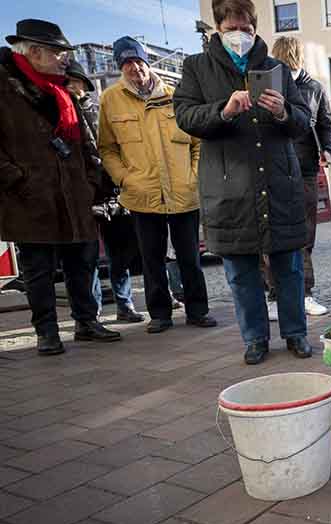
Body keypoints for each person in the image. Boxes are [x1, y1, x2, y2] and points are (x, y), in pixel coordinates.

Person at [174, 0, 312, 365]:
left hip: (278, 183)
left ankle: (296, 333)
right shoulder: (197, 67)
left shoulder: (276, 68)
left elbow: (303, 120)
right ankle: (255, 339)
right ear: (218, 27)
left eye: (247, 29)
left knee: (290, 266)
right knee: (240, 270)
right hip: (228, 186)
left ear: (255, 27)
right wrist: (223, 110)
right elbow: (185, 116)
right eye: (232, 28)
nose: (241, 36)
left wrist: (283, 111)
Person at [0, 19, 121, 355]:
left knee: (82, 263)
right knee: (38, 270)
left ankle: (87, 321)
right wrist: (19, 182)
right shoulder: (4, 87)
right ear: (33, 51)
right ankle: (47, 332)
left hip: (74, 194)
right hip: (30, 199)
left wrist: (92, 181)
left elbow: (86, 141)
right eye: (57, 52)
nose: (63, 58)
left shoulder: (62, 89)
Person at [99, 36, 215, 334]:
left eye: (138, 62)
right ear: (119, 68)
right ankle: (160, 314)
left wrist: (193, 175)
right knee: (151, 258)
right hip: (142, 193)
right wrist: (125, 179)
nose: (134, 69)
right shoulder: (110, 100)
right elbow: (107, 149)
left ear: (147, 64)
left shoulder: (176, 95)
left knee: (190, 256)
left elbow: (197, 142)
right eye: (127, 64)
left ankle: (197, 310)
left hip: (182, 191)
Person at [263, 36, 331, 320]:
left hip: (305, 168)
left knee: (305, 234)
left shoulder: (314, 89)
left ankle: (304, 294)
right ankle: (273, 296)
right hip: (270, 168)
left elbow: (327, 126)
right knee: (271, 235)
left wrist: (329, 151)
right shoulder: (266, 85)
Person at [65, 60, 145, 324]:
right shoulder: (60, 111)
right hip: (83, 193)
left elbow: (114, 146)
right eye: (70, 83)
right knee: (85, 258)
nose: (74, 88)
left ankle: (124, 304)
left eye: (77, 83)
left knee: (118, 254)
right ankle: (92, 312)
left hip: (110, 190)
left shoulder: (99, 110)